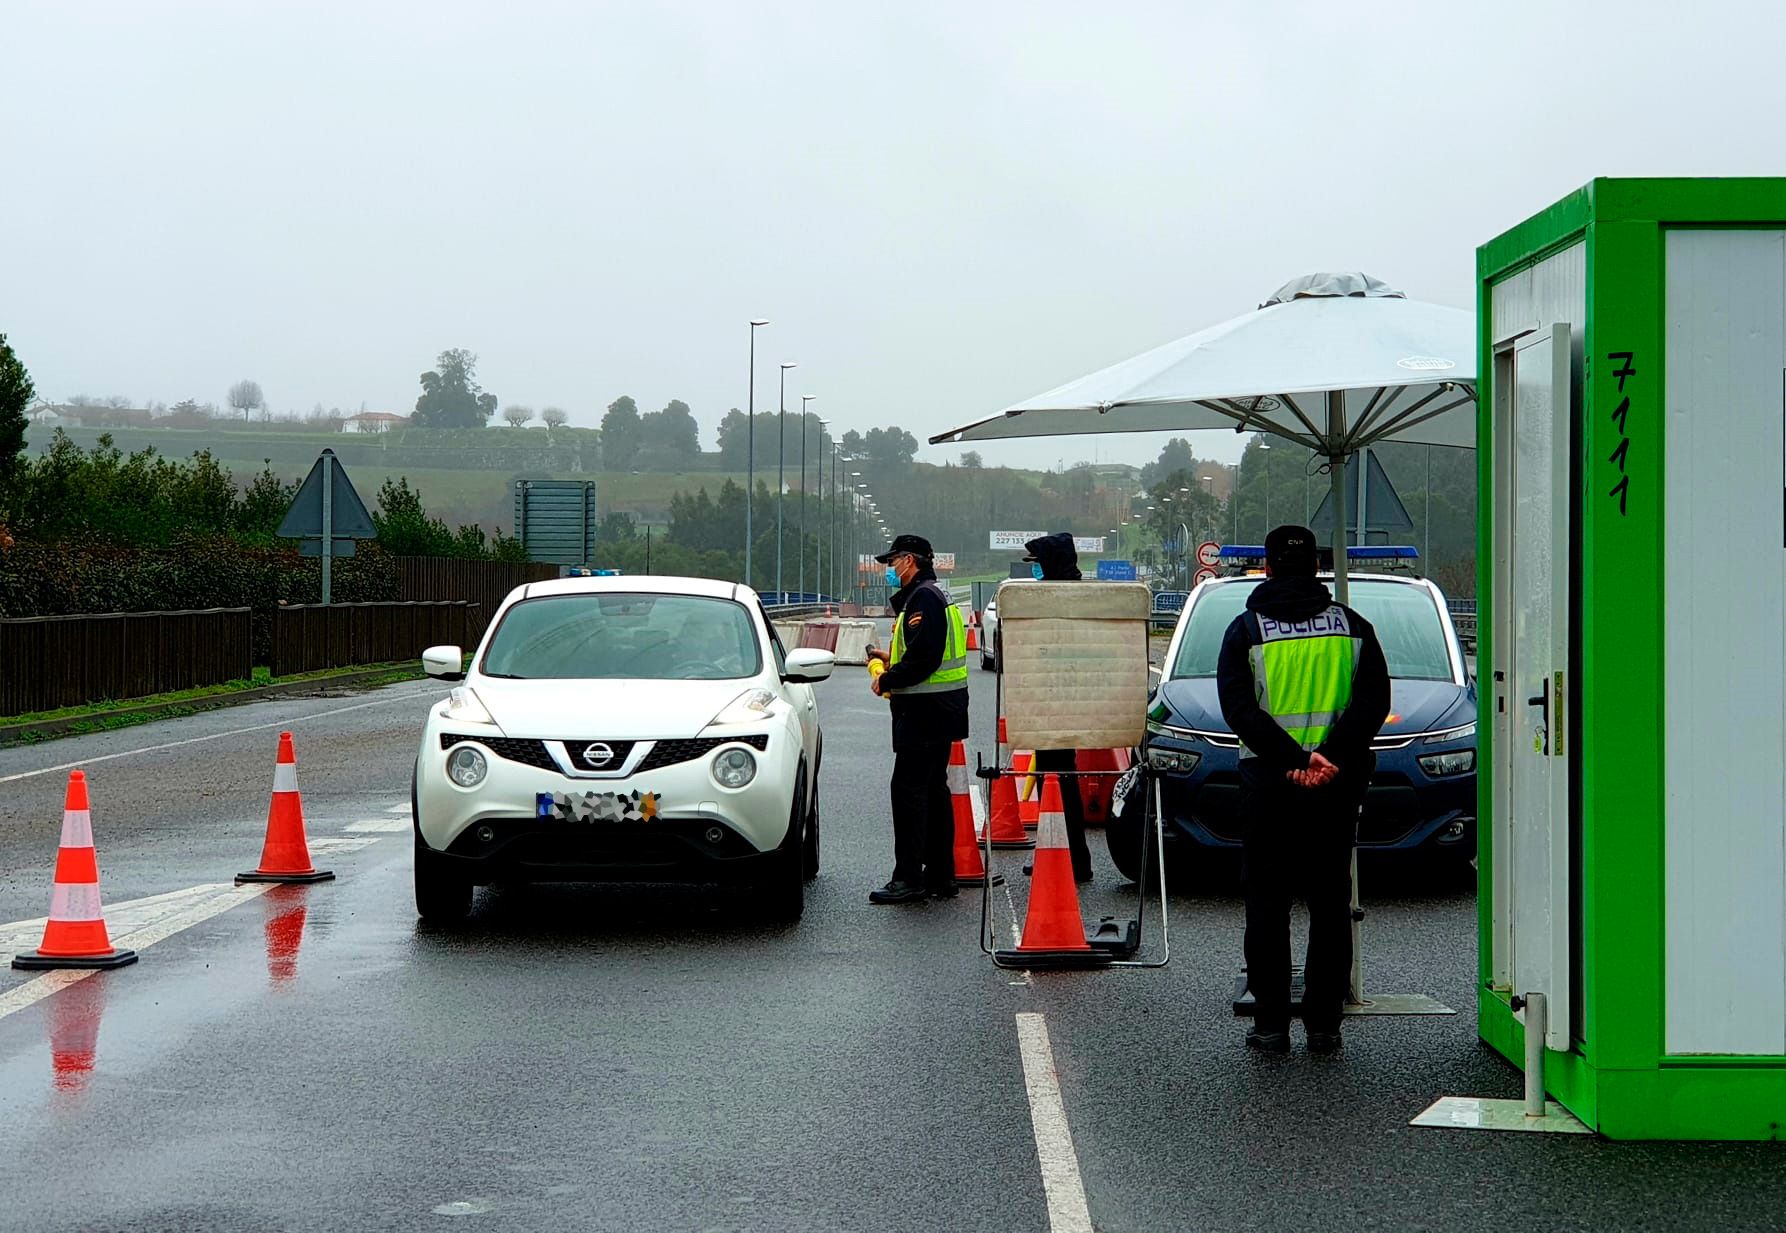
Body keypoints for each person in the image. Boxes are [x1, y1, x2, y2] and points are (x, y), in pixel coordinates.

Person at [1216, 525, 1390, 1056]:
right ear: (1315, 568)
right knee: (1330, 902)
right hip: (1335, 786)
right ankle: (1324, 1026)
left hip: (1270, 783)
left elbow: (1239, 710)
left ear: (1266, 567)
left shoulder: (1246, 630)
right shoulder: (1354, 627)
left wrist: (1292, 759)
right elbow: (1373, 703)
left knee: (1267, 903)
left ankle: (1270, 1025)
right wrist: (1328, 758)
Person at [864, 533, 969, 904]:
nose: (891, 570)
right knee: (933, 791)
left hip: (925, 712)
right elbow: (929, 654)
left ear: (910, 561)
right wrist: (892, 660)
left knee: (908, 792)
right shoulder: (934, 595)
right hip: (941, 709)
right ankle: (942, 876)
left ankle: (908, 878)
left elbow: (925, 658)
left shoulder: (923, 598)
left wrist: (887, 678)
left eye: (893, 563)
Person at [1022, 532, 1094, 883]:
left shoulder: (1061, 599)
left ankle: (1069, 859)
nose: (1034, 571)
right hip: (1056, 698)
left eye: (1037, 563)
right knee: (1056, 776)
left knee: (1057, 779)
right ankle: (1061, 853)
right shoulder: (1067, 594)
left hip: (1058, 700)